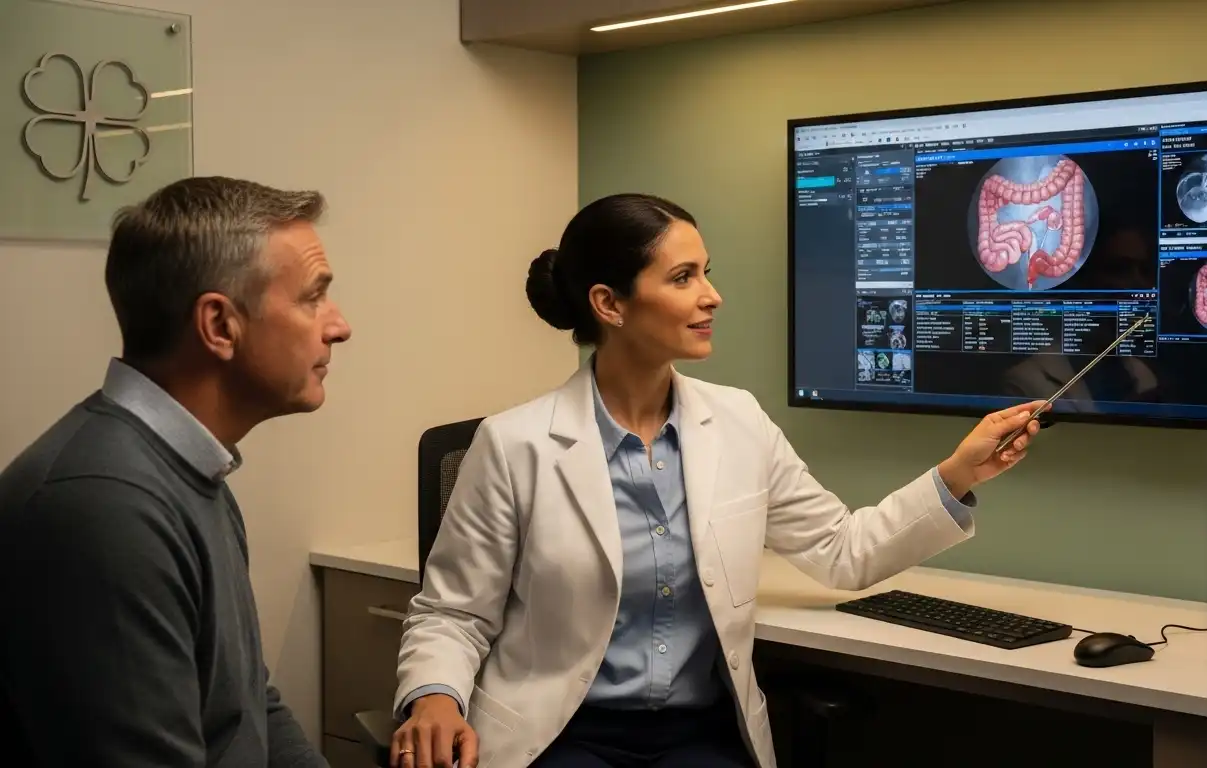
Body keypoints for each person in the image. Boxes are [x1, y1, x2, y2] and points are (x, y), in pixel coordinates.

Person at [391, 193, 1041, 768]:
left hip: (697, 734)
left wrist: (960, 473)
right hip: (558, 734)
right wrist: (435, 698)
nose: (712, 295)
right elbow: (452, 612)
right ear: (609, 303)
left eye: (707, 272)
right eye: (684, 277)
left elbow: (843, 550)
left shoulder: (738, 423)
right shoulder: (515, 444)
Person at [0, 176, 352, 767]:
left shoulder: (189, 469)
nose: (339, 325)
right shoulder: (104, 508)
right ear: (219, 326)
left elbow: (247, 706)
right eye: (312, 298)